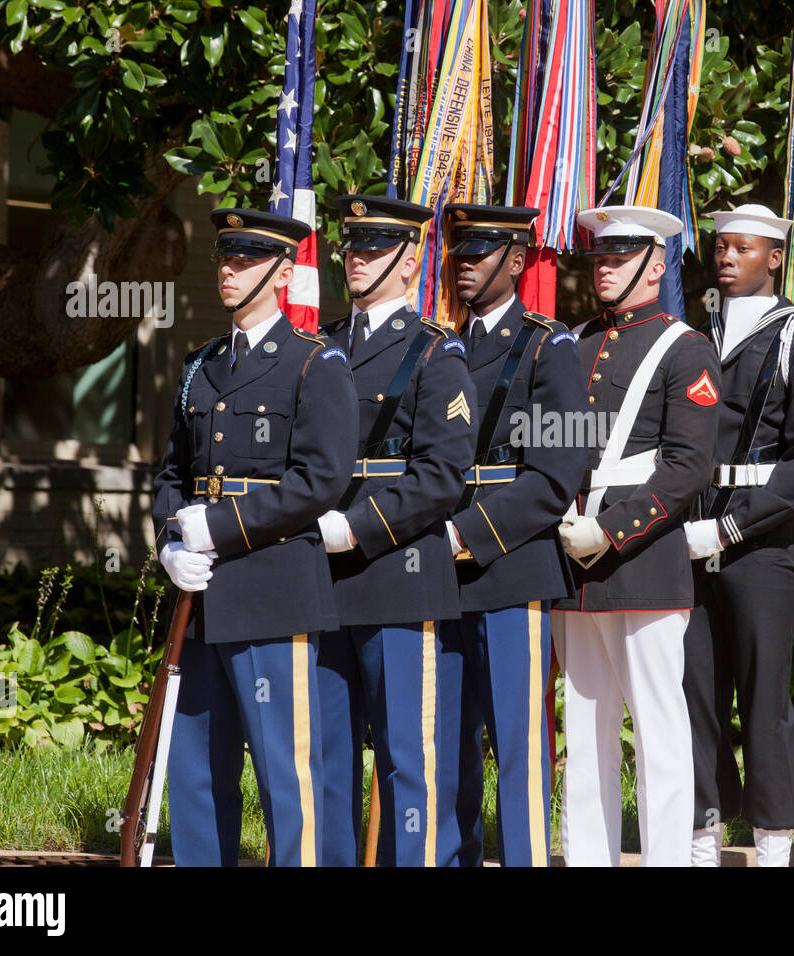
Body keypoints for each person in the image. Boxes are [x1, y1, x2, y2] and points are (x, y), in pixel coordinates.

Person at [151, 208, 358, 866]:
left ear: (283, 272)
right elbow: (172, 473)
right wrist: (168, 543)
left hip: (272, 591)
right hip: (200, 597)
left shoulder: (313, 364)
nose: (229, 270)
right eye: (224, 258)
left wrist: (216, 528)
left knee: (284, 776)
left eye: (244, 259)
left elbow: (321, 481)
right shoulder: (200, 366)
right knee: (195, 773)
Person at [550, 204, 720, 867]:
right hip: (573, 559)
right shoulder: (577, 341)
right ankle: (589, 856)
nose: (606, 269)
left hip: (641, 560)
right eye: (600, 258)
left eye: (620, 258)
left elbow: (687, 467)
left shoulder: (686, 348)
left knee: (658, 731)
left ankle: (668, 859)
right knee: (584, 731)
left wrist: (611, 531)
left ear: (656, 266)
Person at [315, 194, 477, 866]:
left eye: (375, 248)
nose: (357, 258)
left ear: (411, 263)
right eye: (352, 245)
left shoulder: (436, 353)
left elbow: (443, 474)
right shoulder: (318, 347)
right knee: (322, 760)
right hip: (318, 582)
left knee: (408, 760)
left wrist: (355, 530)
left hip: (396, 575)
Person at [681, 203, 794, 867]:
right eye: (721, 247)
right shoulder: (696, 332)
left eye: (742, 248)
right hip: (688, 530)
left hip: (759, 539)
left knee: (763, 693)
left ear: (774, 258)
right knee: (694, 690)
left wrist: (725, 528)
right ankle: (701, 832)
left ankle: (774, 840)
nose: (725, 257)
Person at [438, 203, 588, 867]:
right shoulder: (440, 348)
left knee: (518, 740)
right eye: (458, 254)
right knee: (443, 739)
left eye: (479, 254)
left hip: (510, 567)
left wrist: (464, 533)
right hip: (436, 569)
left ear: (518, 261)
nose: (463, 266)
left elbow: (556, 476)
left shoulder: (548, 346)